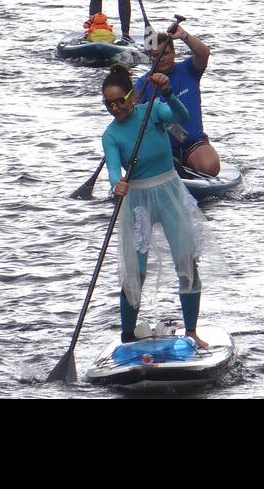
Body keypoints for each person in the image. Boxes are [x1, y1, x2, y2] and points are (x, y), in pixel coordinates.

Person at [99, 63, 208, 348]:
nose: (114, 108)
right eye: (108, 103)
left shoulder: (154, 111)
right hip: (138, 202)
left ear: (132, 96)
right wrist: (116, 182)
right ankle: (127, 337)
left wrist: (169, 93)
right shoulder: (110, 135)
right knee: (136, 272)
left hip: (169, 192)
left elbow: (182, 118)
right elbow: (112, 168)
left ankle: (192, 332)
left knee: (186, 262)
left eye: (119, 101)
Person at [135, 24, 220, 177]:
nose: (160, 59)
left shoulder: (188, 69)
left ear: (174, 53)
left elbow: (204, 54)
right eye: (155, 55)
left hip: (193, 142)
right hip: (163, 147)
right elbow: (131, 117)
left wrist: (184, 35)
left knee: (210, 167)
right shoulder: (142, 84)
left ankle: (185, 167)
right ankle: (171, 167)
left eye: (165, 53)